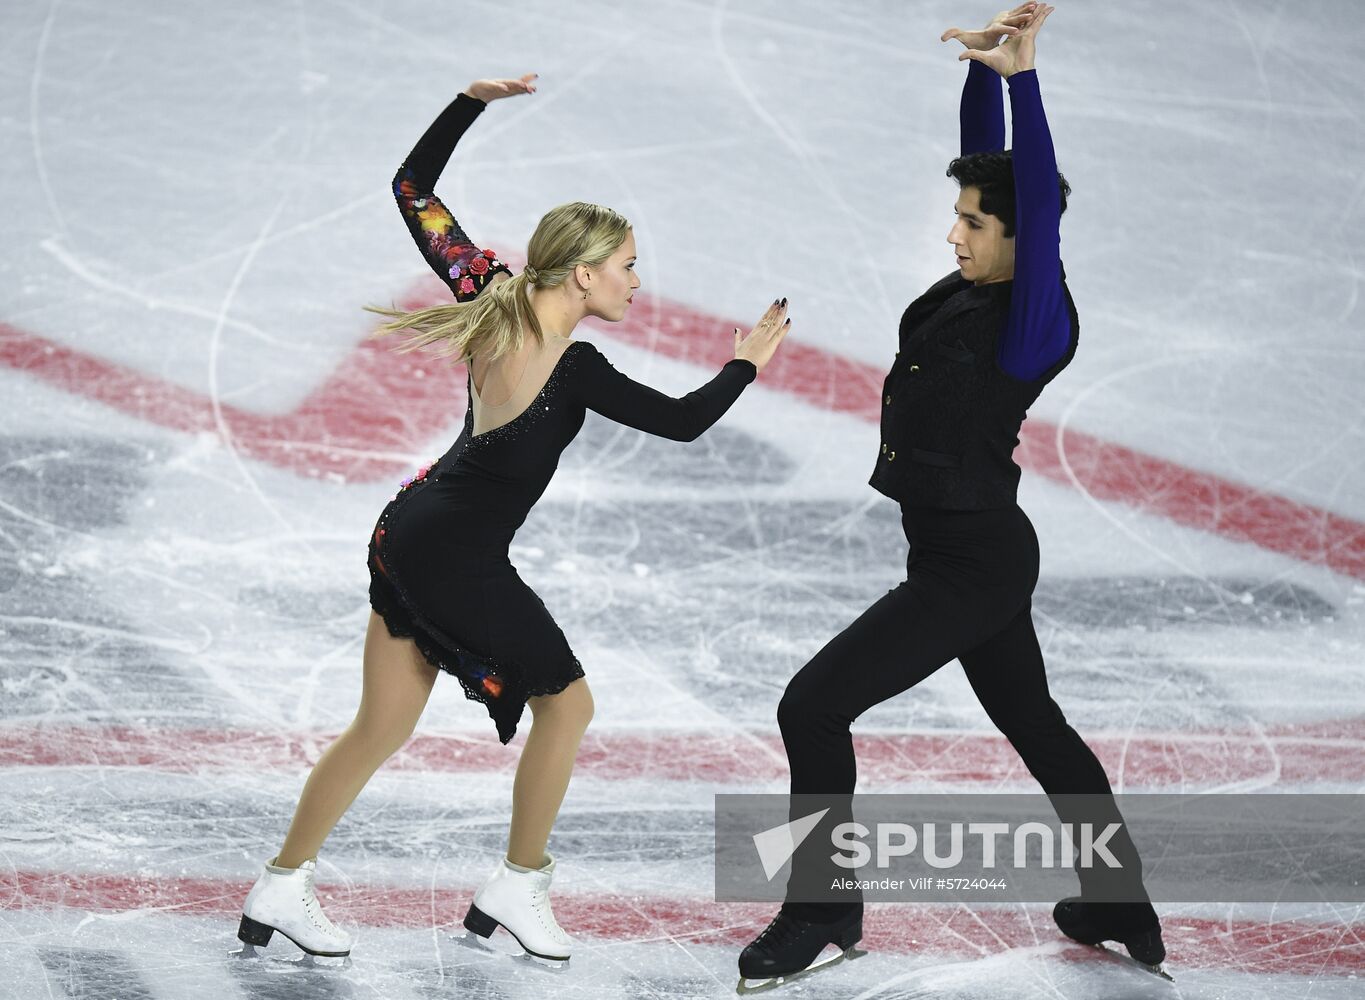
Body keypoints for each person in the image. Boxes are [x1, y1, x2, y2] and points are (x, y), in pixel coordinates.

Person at [236, 72, 791, 966]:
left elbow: (412, 191)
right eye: (626, 266)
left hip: (405, 531)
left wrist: (470, 102)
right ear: (584, 272)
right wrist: (745, 363)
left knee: (380, 726)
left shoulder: (487, 293)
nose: (637, 283)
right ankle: (518, 884)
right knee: (566, 706)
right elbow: (686, 421)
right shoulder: (577, 368)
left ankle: (282, 884)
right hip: (454, 556)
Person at [737, 4, 1167, 989]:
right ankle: (1119, 899)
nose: (953, 232)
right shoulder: (979, 284)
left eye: (974, 222)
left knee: (812, 705)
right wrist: (984, 75)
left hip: (971, 563)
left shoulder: (1031, 324)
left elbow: (1038, 212)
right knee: (1037, 724)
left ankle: (820, 909)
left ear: (1025, 239)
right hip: (963, 551)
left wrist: (1028, 83)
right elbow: (993, 169)